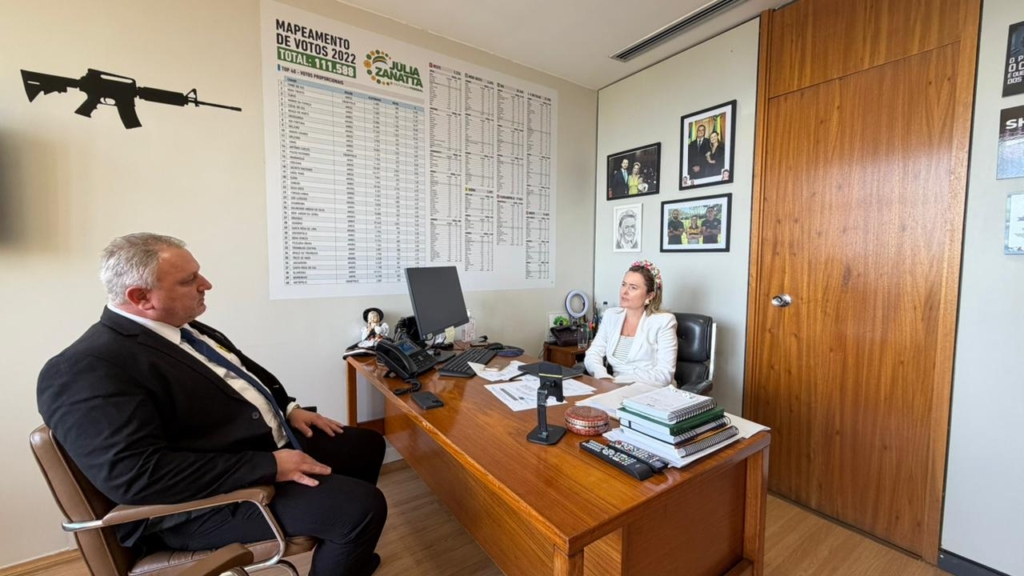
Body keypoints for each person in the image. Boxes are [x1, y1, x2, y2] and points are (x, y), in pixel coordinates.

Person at [37, 233, 387, 576]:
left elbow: (245, 377)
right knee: (359, 508)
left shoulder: (184, 329)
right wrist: (269, 466)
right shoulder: (87, 368)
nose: (206, 284)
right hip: (194, 506)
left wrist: (288, 409)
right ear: (141, 297)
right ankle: (346, 534)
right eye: (189, 280)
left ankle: (346, 553)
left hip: (251, 447)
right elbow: (137, 476)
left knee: (366, 445)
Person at [584, 260, 677, 386]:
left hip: (651, 389)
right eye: (623, 284)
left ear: (649, 296)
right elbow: (593, 353)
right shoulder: (611, 316)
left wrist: (616, 381)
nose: (624, 292)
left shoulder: (664, 322)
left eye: (633, 287)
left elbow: (664, 374)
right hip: (613, 387)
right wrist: (602, 375)